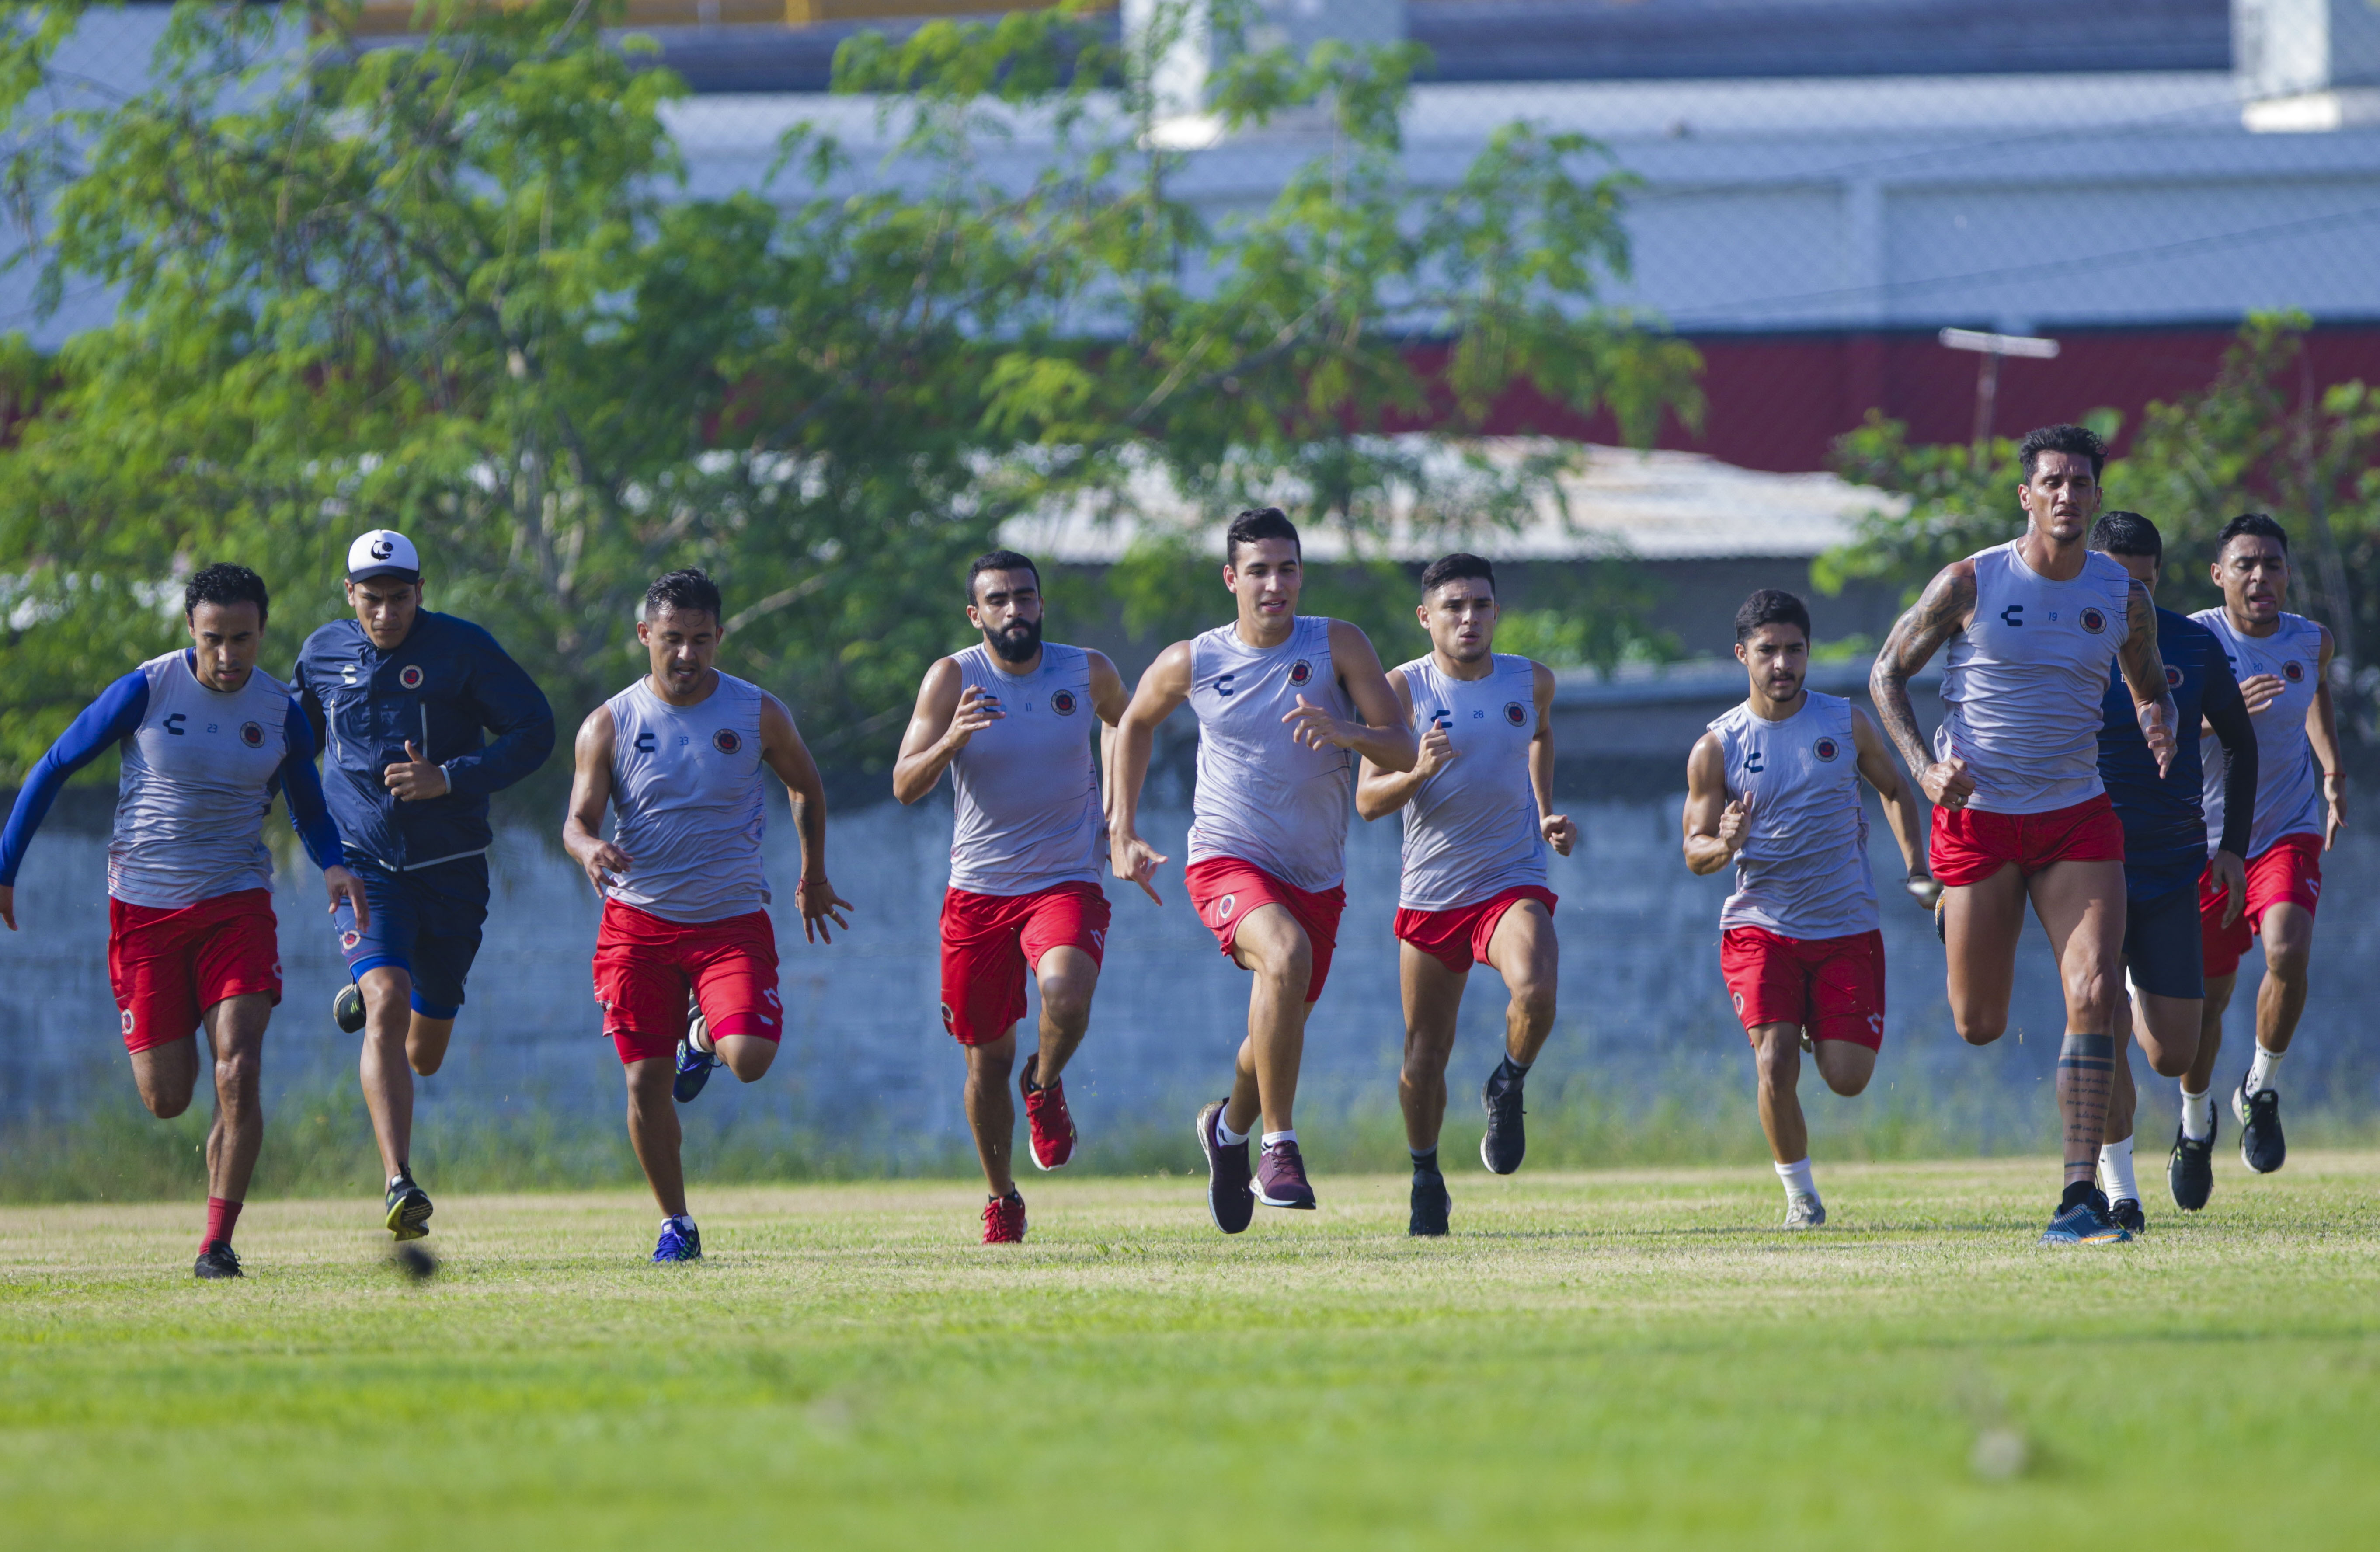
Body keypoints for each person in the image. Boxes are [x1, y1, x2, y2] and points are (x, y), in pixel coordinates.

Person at [0, 564, 368, 1278]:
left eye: (243, 639)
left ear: (262, 632)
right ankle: (216, 1156)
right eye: (214, 639)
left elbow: (309, 805)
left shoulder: (282, 711)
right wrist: (6, 865)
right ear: (190, 633)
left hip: (236, 904)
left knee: (241, 1064)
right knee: (169, 1098)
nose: (228, 655)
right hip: (144, 912)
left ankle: (217, 1242)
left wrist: (332, 861)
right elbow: (52, 764)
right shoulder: (147, 688)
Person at [1869, 423, 2177, 1247]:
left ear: (2097, 497)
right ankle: (1959, 913)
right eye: (2053, 482)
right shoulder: (1972, 581)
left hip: (2078, 817)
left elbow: (2150, 683)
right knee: (1979, 1022)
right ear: (2027, 495)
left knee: (2096, 994)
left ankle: (2079, 1196)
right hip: (1978, 821)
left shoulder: (2122, 596)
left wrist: (2159, 717)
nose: (2067, 494)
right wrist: (1923, 770)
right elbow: (1885, 673)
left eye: (2081, 482)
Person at [1109, 507, 1417, 1231]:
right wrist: (1120, 830)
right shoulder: (1196, 660)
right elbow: (1133, 722)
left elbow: (1403, 750)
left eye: (1287, 568)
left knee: (1270, 1034)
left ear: (1301, 574)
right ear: (1231, 579)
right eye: (1258, 570)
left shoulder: (1338, 643)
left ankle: (1229, 1129)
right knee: (1283, 954)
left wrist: (1348, 731)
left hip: (1316, 874)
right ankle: (1279, 1147)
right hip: (1224, 858)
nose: (1274, 583)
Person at [562, 569, 852, 1263]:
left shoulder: (757, 713)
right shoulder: (611, 722)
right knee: (644, 1082)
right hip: (638, 927)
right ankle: (677, 1223)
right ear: (645, 637)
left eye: (700, 639)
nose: (686, 655)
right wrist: (589, 847)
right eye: (672, 640)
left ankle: (703, 1037)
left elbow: (805, 785)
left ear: (720, 637)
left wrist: (812, 871)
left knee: (748, 1058)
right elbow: (576, 819)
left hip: (729, 923)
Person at [295, 529, 555, 1242]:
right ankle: (398, 1182)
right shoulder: (320, 654)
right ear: (349, 595)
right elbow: (293, 751)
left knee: (424, 1051)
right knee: (387, 1003)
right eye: (371, 600)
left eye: (399, 599)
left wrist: (453, 776)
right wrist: (318, 848)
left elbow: (536, 728)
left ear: (421, 592)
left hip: (452, 870)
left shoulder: (463, 648)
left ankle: (379, 983)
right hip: (366, 867)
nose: (386, 614)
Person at [891, 550, 1131, 1243]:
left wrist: (1120, 815)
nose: (1014, 610)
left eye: (1025, 597)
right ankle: (1002, 1197)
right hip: (980, 892)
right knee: (986, 1062)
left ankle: (1047, 1082)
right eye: (998, 600)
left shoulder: (1084, 669)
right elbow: (906, 784)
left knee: (1066, 996)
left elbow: (1128, 722)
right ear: (976, 614)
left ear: (1042, 604)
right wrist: (952, 740)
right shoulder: (953, 677)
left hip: (1065, 878)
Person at [1683, 589, 1934, 1228]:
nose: (1783, 663)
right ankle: (1801, 1197)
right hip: (1759, 927)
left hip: (1846, 925)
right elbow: (1694, 849)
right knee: (1773, 1059)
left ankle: (1806, 1021)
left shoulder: (1844, 723)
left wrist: (1915, 868)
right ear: (1743, 655)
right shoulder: (1719, 745)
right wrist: (1725, 842)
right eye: (1768, 651)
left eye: (1795, 649)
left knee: (1847, 1076)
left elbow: (1895, 789)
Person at [1353, 553, 1575, 1238]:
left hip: (1511, 879)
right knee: (1425, 1053)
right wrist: (1417, 771)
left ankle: (1507, 1083)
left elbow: (1538, 733)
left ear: (1496, 611)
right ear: (1427, 618)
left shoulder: (1530, 679)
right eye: (1453, 607)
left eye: (1480, 604)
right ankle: (1426, 1174)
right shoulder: (1401, 689)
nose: (1468, 618)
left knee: (1536, 990)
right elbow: (1366, 800)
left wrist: (1544, 810)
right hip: (1433, 894)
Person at [2081, 512, 2255, 1225]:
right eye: (2121, 587)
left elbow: (2242, 745)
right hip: (2085, 865)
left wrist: (2234, 847)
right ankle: (2119, 1184)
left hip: (2171, 867)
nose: (2134, 605)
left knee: (2171, 1050)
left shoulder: (2194, 643)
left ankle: (2131, 996)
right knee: (2101, 1019)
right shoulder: (2063, 645)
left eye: (2145, 587)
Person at [2177, 513, 2345, 1184]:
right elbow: (2154, 738)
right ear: (2219, 575)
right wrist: (2220, 716)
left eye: (2271, 564)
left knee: (2288, 948)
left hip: (2286, 829)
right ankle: (2194, 1126)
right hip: (2208, 844)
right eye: (2244, 564)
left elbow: (2315, 688)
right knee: (2206, 1003)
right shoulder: (2191, 642)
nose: (2259, 577)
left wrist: (2331, 770)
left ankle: (2261, 1087)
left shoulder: (2313, 640)